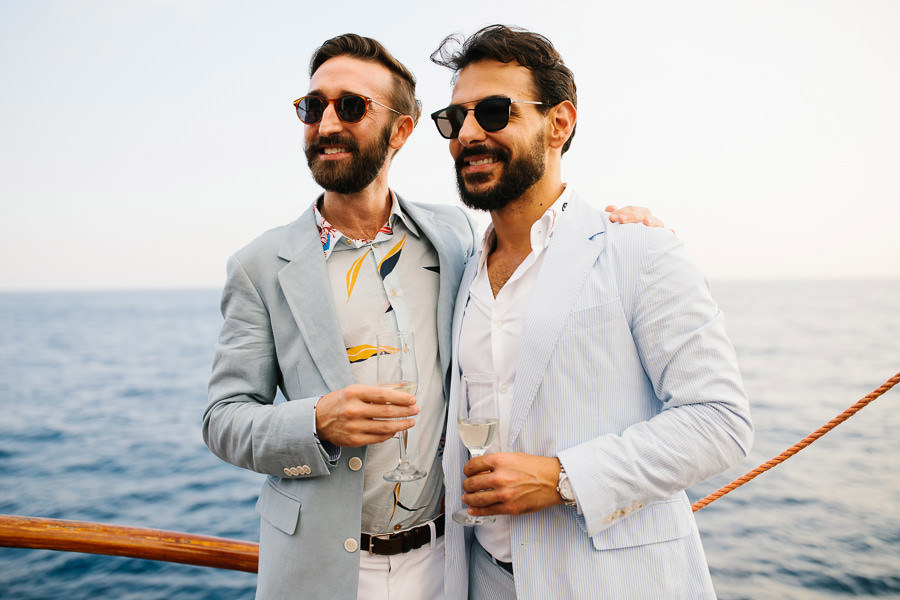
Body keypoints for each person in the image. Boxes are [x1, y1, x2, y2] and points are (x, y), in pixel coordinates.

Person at [202, 33, 659, 600]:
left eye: (350, 107)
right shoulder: (258, 266)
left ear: (400, 131)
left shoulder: (454, 237)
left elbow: (535, 243)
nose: (325, 124)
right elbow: (222, 419)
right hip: (322, 571)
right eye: (312, 107)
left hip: (448, 565)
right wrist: (315, 421)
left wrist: (621, 230)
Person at [431, 25, 754, 599]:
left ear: (560, 123)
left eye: (495, 111)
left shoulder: (638, 248)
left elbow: (720, 421)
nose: (469, 135)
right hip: (481, 581)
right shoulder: (460, 270)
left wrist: (560, 478)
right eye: (454, 120)